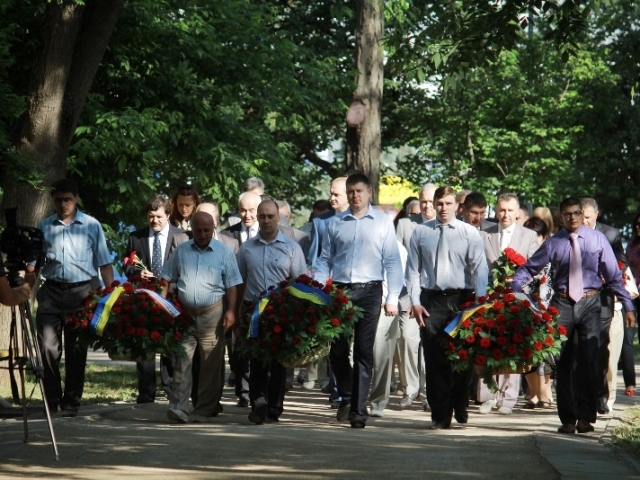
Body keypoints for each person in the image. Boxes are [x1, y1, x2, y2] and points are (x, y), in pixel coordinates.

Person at [512, 197, 636, 434]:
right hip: (562, 303)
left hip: (591, 302)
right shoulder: (554, 243)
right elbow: (529, 268)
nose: (572, 218)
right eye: (567, 214)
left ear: (582, 213)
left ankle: (586, 418)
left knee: (589, 362)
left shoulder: (597, 239)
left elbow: (613, 276)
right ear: (561, 216)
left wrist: (629, 306)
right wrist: (515, 289)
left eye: (576, 213)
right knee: (564, 363)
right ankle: (568, 419)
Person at [314, 172, 403, 428]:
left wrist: (392, 297)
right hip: (341, 291)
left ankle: (358, 411)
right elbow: (324, 259)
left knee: (364, 351)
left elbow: (392, 262)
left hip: (370, 290)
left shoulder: (383, 222)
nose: (355, 196)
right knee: (338, 350)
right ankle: (348, 395)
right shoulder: (335, 223)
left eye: (359, 191)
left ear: (369, 193)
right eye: (351, 191)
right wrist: (319, 289)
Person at [27, 178, 114, 417]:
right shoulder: (44, 226)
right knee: (47, 348)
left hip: (82, 293)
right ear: (52, 200)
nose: (63, 204)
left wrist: (112, 294)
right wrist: (25, 290)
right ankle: (52, 399)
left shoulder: (91, 225)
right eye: (58, 200)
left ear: (76, 199)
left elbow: (105, 263)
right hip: (52, 292)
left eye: (67, 199)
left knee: (77, 351)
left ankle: (71, 402)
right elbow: (33, 266)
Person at [405, 186, 489, 429]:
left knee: (461, 359)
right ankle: (440, 415)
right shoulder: (421, 232)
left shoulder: (468, 233)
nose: (443, 208)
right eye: (439, 203)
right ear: (433, 204)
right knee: (434, 360)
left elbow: (480, 270)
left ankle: (459, 402)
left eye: (448, 203)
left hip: (461, 299)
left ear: (457, 206)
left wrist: (480, 304)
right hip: (430, 299)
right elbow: (412, 270)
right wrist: (415, 302)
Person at [161, 211, 242, 423]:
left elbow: (233, 284)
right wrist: (163, 305)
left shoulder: (224, 252)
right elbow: (166, 278)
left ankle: (204, 410)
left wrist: (232, 311)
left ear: (213, 228)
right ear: (191, 229)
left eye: (207, 230)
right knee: (181, 362)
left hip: (213, 315)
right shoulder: (182, 250)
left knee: (211, 365)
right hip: (185, 314)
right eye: (198, 230)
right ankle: (178, 407)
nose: (203, 234)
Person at [236, 199, 307, 424]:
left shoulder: (291, 247)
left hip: (281, 310)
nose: (266, 220)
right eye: (262, 216)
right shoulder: (247, 248)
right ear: (257, 217)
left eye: (270, 216)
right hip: (254, 310)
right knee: (256, 360)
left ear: (278, 218)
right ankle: (258, 403)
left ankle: (275, 405)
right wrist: (236, 311)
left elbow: (300, 281)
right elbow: (239, 281)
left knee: (278, 362)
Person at [477, 193, 538, 415]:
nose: (505, 214)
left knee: (512, 345)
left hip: (516, 297)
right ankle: (487, 396)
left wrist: (519, 279)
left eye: (510, 210)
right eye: (502, 210)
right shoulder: (485, 234)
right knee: (488, 344)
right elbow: (478, 265)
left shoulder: (529, 236)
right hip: (490, 298)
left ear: (517, 212)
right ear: (496, 210)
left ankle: (508, 399)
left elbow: (536, 268)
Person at [124, 194, 189, 404]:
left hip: (172, 298)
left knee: (170, 344)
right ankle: (146, 392)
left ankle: (170, 388)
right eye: (151, 216)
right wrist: (136, 272)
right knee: (145, 344)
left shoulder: (182, 236)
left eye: (159, 216)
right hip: (145, 297)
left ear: (168, 215)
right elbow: (127, 264)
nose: (155, 221)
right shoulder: (136, 237)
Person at [581, 197, 627, 414]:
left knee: (600, 350)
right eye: (581, 217)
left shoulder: (610, 234)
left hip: (602, 299)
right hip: (575, 299)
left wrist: (608, 273)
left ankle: (601, 397)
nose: (584, 221)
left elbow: (622, 261)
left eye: (588, 218)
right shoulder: (571, 234)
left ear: (596, 215)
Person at [521, 216, 555, 409]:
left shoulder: (552, 254)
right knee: (527, 351)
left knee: (546, 351)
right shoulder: (523, 258)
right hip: (527, 306)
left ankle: (546, 392)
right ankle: (533, 392)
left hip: (547, 307)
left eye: (538, 236)